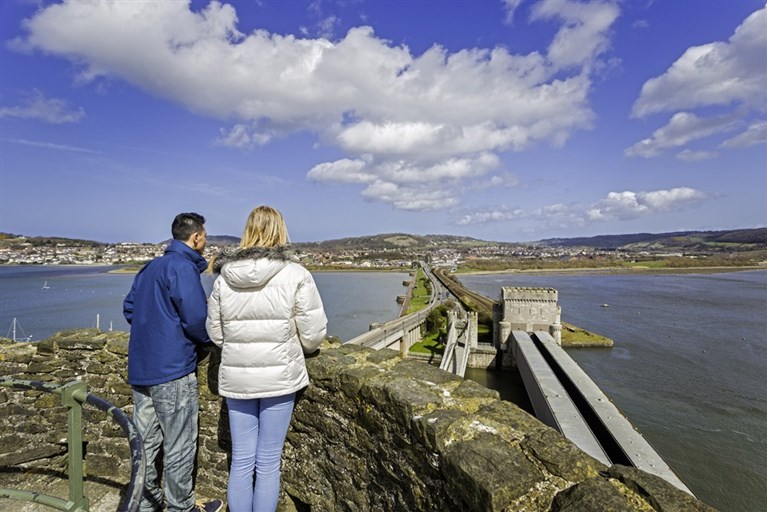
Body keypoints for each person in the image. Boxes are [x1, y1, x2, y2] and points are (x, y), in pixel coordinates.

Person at [206, 205, 327, 512]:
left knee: (242, 460)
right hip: (280, 378)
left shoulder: (223, 278)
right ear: (280, 230)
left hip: (237, 376)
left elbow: (216, 333)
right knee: (269, 461)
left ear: (248, 231)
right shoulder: (297, 273)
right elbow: (313, 335)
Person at [123, 212, 223, 512]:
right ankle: (181, 507)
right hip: (172, 370)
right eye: (204, 236)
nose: (205, 242)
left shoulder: (150, 267)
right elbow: (195, 319)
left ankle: (146, 503)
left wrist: (156, 327)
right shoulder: (181, 268)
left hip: (142, 368)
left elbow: (130, 308)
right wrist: (205, 341)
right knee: (179, 443)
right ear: (195, 238)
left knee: (145, 443)